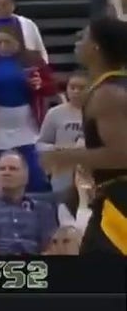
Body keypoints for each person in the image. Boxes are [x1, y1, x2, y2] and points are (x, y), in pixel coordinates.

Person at [40, 17, 127, 254]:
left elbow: (122, 155)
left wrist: (66, 157)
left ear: (96, 48)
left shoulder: (107, 93)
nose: (78, 41)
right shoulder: (113, 87)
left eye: (85, 36)